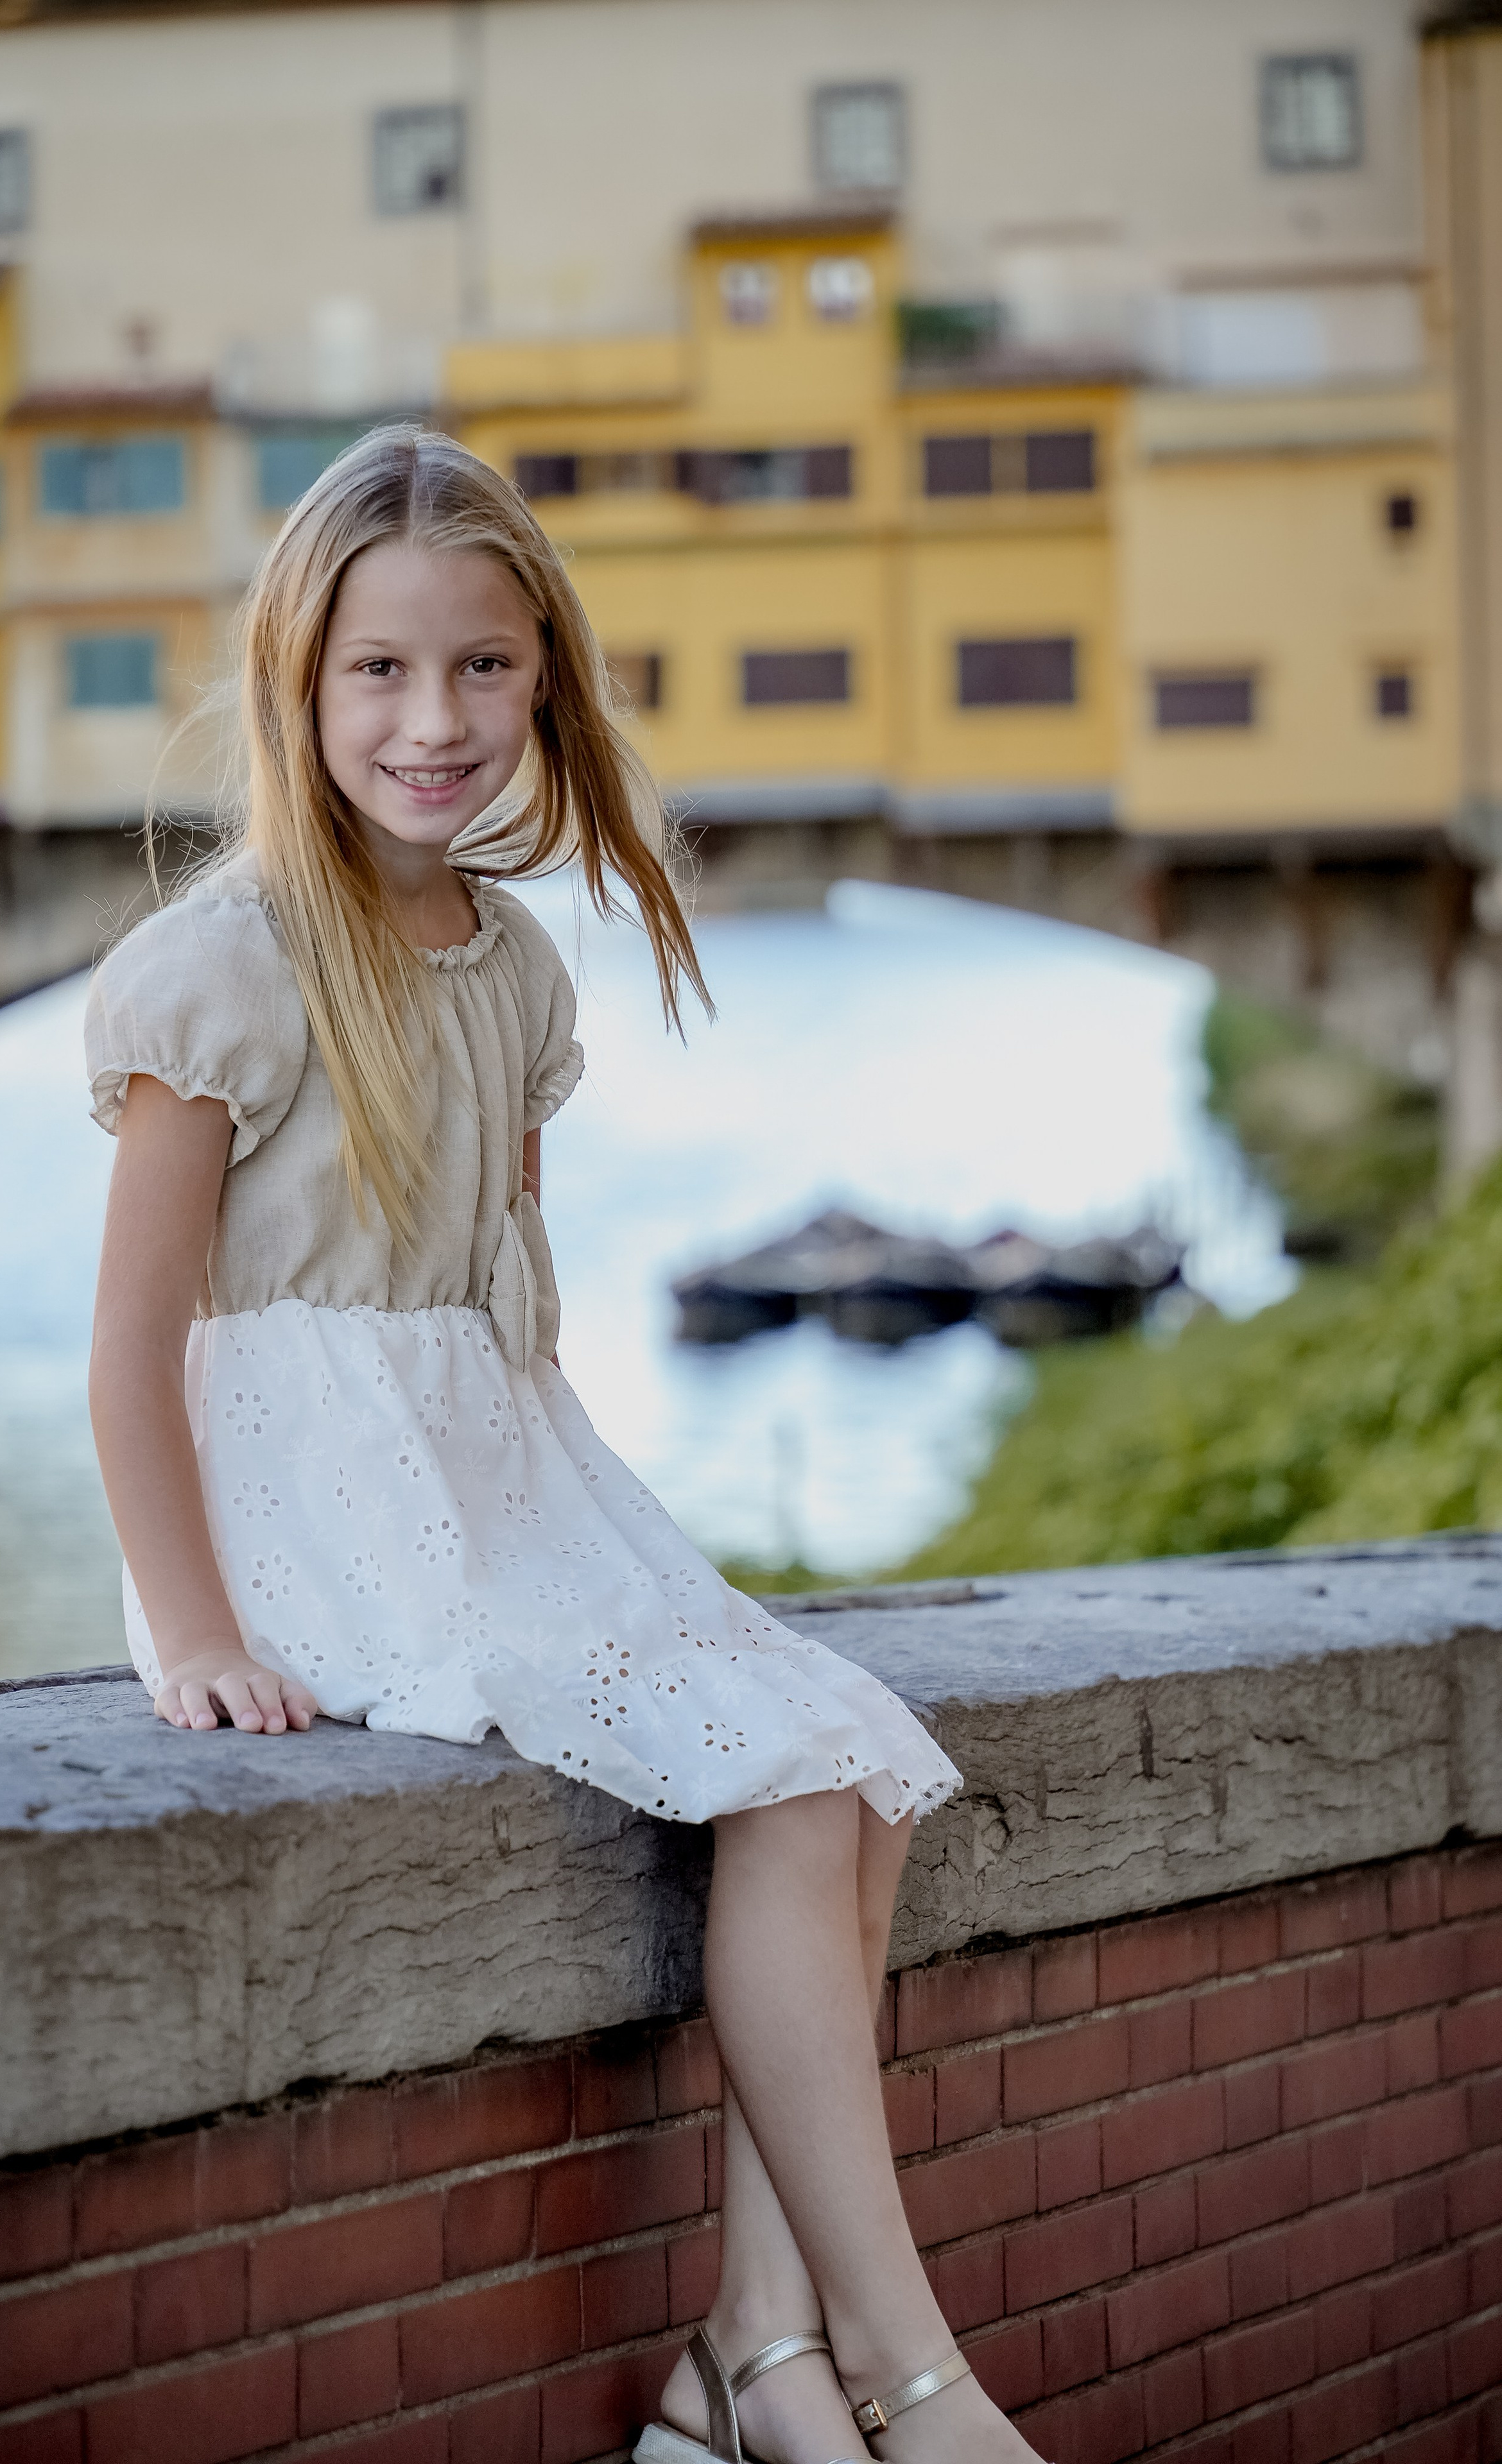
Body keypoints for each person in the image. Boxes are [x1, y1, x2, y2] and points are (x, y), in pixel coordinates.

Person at [85, 427, 1046, 2464]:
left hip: (498, 1464)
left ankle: (754, 2368)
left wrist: (591, 1530)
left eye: (484, 671)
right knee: (796, 1785)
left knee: (851, 1759)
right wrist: (187, 1632)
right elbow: (130, 1352)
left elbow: (511, 1304)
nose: (435, 723)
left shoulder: (515, 969)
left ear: (546, 684)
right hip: (317, 1506)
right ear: (297, 682)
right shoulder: (216, 972)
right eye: (379, 672)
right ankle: (901, 2376)